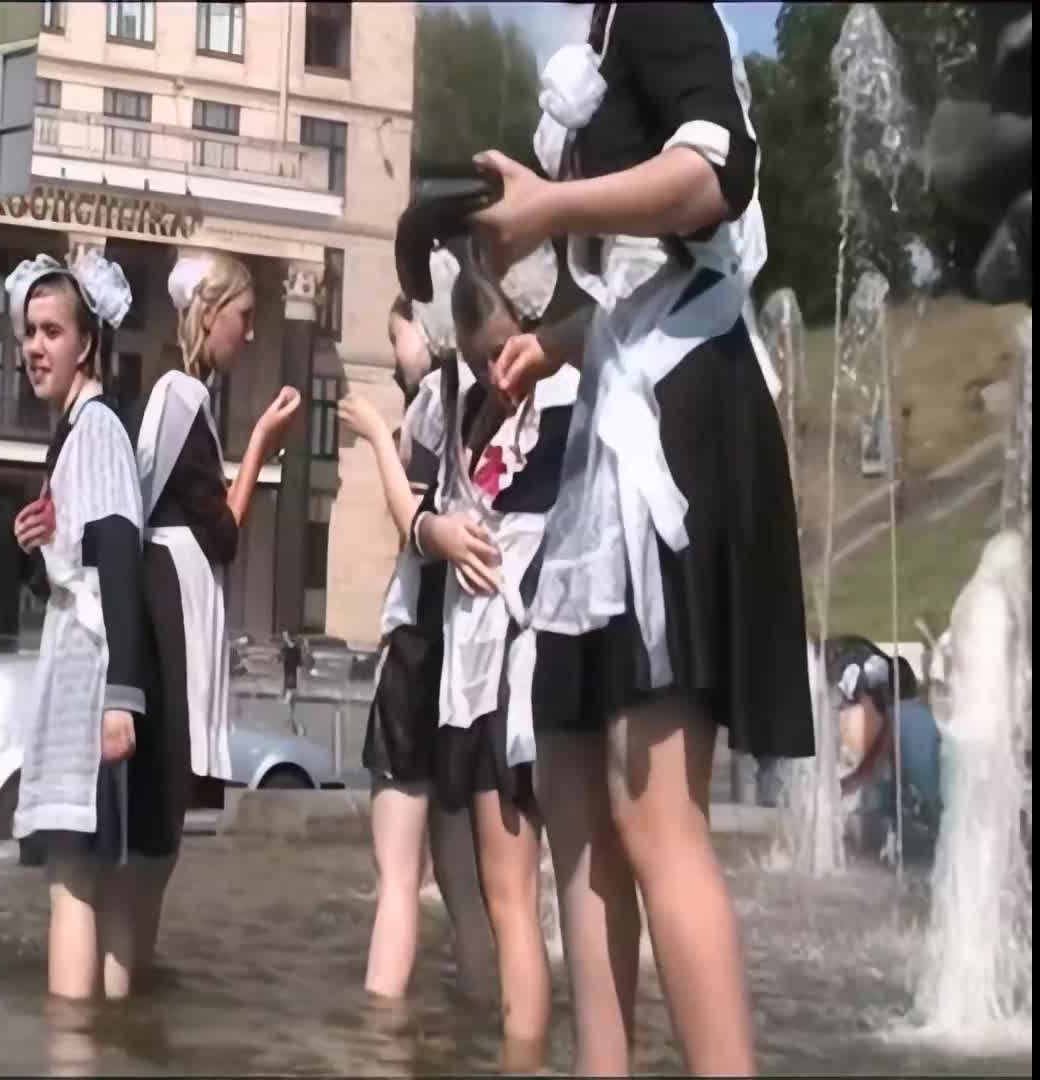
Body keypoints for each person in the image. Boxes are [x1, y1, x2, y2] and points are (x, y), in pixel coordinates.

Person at [470, 4, 812, 1073]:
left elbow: (715, 173)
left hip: (675, 421)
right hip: (619, 413)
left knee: (654, 806)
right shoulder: (611, 20)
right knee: (574, 780)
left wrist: (551, 205)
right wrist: (557, 342)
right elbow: (644, 266)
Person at [414, 240, 572, 1066]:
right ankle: (519, 1053)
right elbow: (423, 497)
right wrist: (433, 531)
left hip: (529, 672)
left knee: (520, 896)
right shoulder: (473, 407)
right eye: (481, 362)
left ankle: (530, 1055)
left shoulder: (571, 400)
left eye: (504, 352)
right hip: (475, 674)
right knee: (502, 893)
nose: (496, 375)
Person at [127, 252, 302, 970]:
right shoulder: (178, 396)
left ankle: (133, 963)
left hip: (179, 590)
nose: (250, 334)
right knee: (162, 800)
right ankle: (129, 960)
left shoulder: (183, 397)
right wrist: (260, 443)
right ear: (209, 313)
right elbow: (221, 532)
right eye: (243, 317)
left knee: (165, 805)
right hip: (174, 594)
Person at [341, 292, 498, 1003]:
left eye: (397, 335)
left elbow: (412, 520)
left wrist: (378, 434)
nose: (394, 353)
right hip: (468, 658)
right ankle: (487, 1019)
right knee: (465, 884)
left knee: (399, 881)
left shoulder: (440, 394)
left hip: (419, 650)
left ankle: (381, 1037)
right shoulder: (492, 397)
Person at [3, 250, 149, 1001]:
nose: (35, 347)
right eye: (29, 332)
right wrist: (34, 548)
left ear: (86, 343)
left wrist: (122, 695)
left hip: (89, 670)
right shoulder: (78, 432)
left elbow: (117, 555)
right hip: (79, 661)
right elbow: (79, 560)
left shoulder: (94, 429)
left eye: (52, 332)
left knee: (72, 874)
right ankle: (107, 1032)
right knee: (91, 870)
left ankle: (71, 1044)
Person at [829, 636, 941, 864]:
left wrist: (834, 790)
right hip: (938, 809)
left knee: (873, 803)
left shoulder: (894, 718)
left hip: (922, 815)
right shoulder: (926, 713)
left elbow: (869, 770)